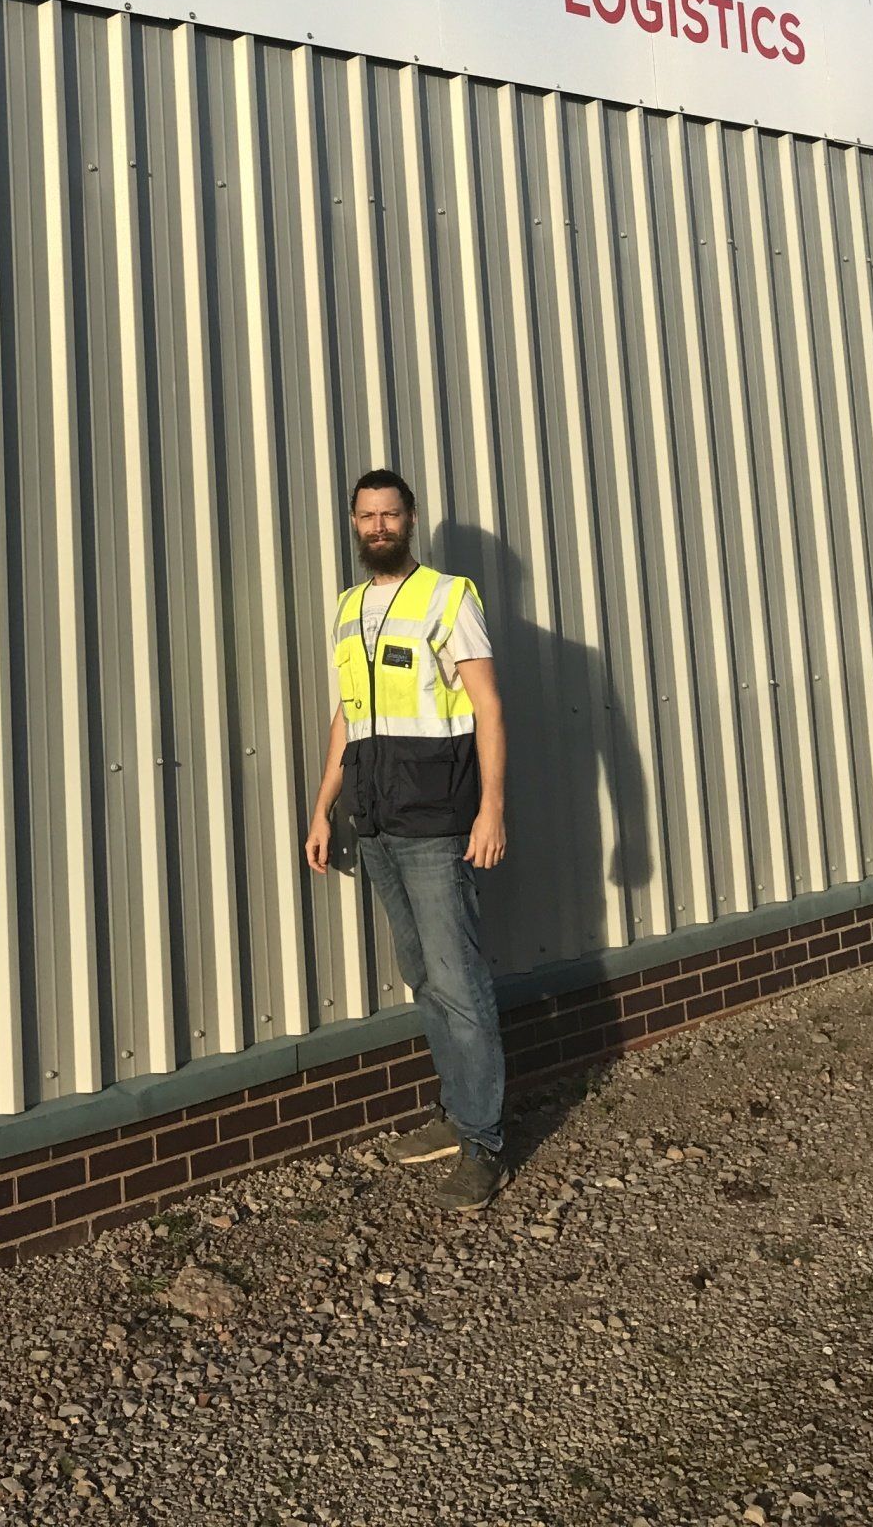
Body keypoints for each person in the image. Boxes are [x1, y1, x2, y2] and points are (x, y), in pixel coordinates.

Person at [304, 468, 511, 1211]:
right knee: (423, 975)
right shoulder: (348, 608)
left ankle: (485, 1144)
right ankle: (456, 1114)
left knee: (459, 981)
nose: (378, 527)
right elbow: (349, 715)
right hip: (376, 821)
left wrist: (491, 810)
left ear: (410, 519)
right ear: (354, 523)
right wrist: (324, 807)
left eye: (390, 515)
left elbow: (488, 707)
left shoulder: (448, 597)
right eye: (367, 517)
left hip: (436, 819)